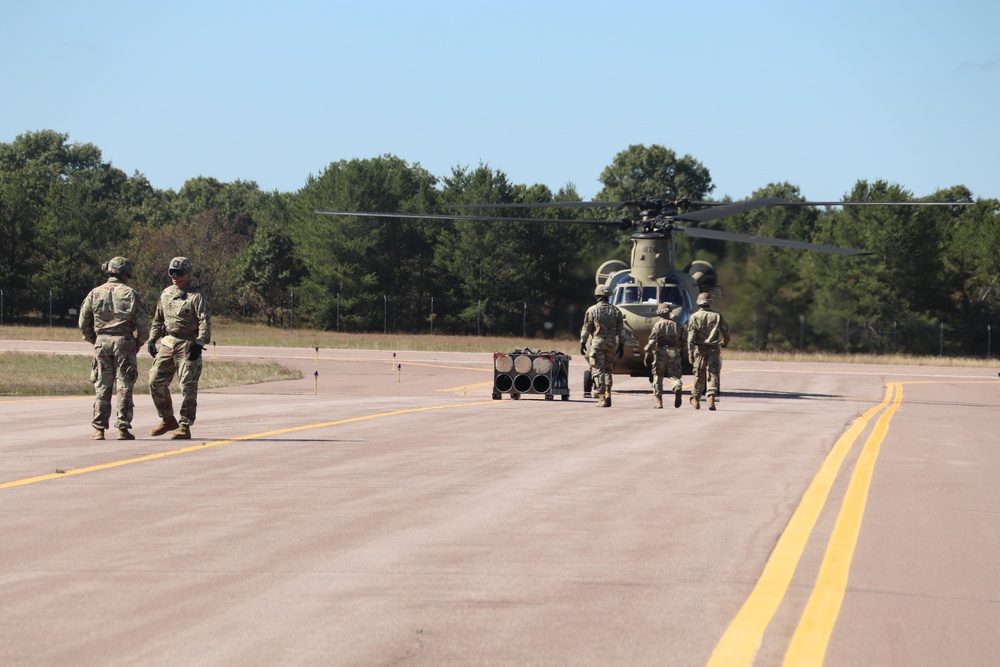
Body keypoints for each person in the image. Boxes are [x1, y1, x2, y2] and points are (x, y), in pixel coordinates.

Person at [78, 257, 150, 440]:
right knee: (124, 385)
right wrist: (137, 342)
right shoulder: (131, 294)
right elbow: (144, 325)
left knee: (102, 385)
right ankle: (122, 428)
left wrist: (95, 340)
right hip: (124, 342)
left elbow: (83, 322)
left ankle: (99, 429)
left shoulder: (94, 293)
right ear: (126, 274)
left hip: (102, 342)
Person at [147, 257, 212, 439]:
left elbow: (204, 320)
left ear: (188, 274)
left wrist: (200, 343)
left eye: (179, 273)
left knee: (188, 386)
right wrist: (152, 340)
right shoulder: (166, 293)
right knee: (155, 380)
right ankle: (168, 419)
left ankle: (184, 424)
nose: (175, 276)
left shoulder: (196, 296)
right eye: (172, 273)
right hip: (168, 343)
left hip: (188, 344)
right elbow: (158, 319)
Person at [580, 284, 624, 408]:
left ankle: (602, 397)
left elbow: (586, 328)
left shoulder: (592, 310)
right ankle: (608, 393)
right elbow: (621, 330)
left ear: (597, 296)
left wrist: (582, 342)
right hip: (611, 344)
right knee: (608, 369)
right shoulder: (616, 311)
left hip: (597, 343)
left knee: (597, 370)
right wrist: (621, 344)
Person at [686, 291, 731, 410]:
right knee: (713, 372)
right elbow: (726, 331)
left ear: (698, 303)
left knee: (699, 373)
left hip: (699, 349)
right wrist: (725, 342)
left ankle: (696, 397)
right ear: (710, 302)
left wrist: (690, 352)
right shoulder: (717, 315)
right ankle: (710, 396)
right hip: (713, 349)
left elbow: (691, 337)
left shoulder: (694, 317)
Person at [643, 303, 685, 409]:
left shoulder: (658, 325)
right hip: (674, 352)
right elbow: (683, 340)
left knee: (658, 376)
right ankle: (677, 387)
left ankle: (659, 402)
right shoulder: (677, 325)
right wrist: (682, 352)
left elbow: (652, 341)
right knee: (674, 376)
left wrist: (647, 352)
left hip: (661, 352)